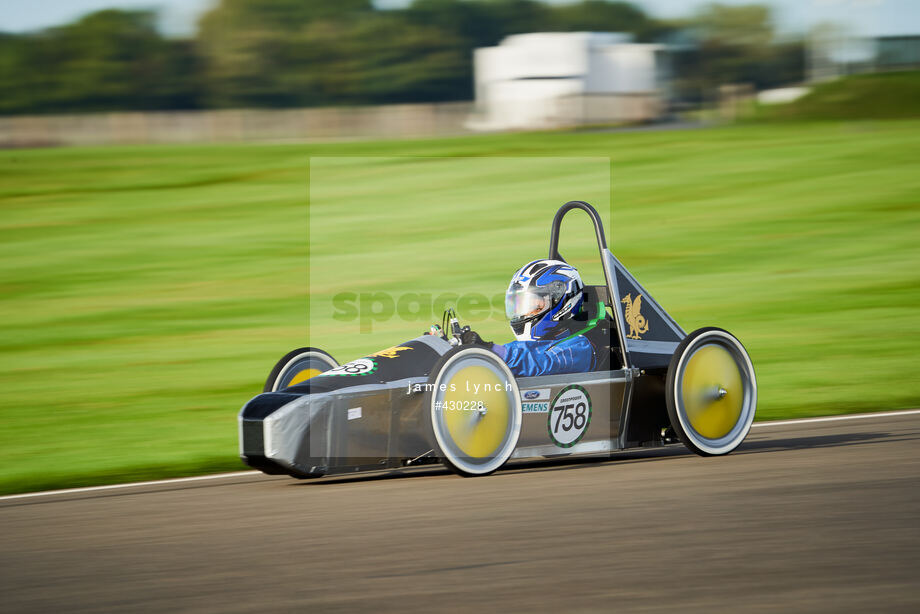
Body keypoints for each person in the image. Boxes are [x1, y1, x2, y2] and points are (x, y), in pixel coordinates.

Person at [462, 259, 606, 376]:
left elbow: (540, 362)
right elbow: (528, 351)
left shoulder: (581, 347)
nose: (523, 314)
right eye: (519, 306)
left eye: (533, 305)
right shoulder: (547, 341)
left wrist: (492, 350)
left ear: (560, 302)